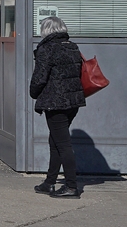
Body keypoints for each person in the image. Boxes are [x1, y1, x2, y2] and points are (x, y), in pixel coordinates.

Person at [29, 15, 86, 198]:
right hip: (73, 101)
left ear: (45, 30)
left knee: (62, 144)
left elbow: (39, 79)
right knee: (55, 141)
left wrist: (34, 93)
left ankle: (71, 186)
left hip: (55, 103)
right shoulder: (72, 47)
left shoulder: (47, 49)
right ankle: (49, 182)